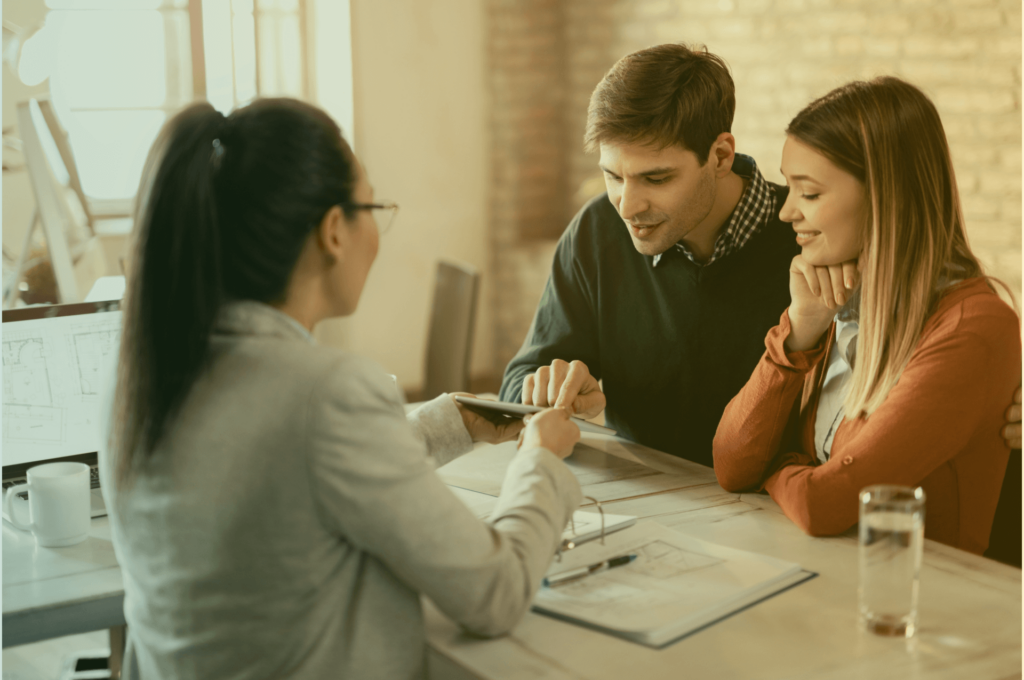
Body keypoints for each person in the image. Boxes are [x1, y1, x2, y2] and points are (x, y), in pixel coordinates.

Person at [99, 99, 584, 680]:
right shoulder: (323, 392)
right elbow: (495, 592)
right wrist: (539, 461)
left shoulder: (141, 375)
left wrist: (453, 419)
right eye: (372, 207)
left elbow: (287, 469)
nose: (376, 231)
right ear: (334, 230)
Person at [498, 43, 1022, 468]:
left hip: (772, 511)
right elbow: (516, 382)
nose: (628, 204)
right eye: (614, 176)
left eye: (656, 178)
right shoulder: (596, 231)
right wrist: (543, 388)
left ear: (721, 155)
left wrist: (1002, 392)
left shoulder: (815, 242)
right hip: (646, 494)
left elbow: (934, 348)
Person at [712, 77, 1020, 554]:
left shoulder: (972, 326)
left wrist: (779, 466)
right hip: (821, 579)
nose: (786, 211)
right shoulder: (835, 295)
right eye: (789, 188)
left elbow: (827, 503)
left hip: (922, 605)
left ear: (885, 197)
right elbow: (731, 465)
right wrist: (799, 332)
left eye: (809, 194)